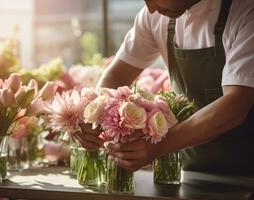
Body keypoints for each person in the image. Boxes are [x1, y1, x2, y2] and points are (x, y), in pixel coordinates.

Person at [75, 0, 254, 175]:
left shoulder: (246, 12)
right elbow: (117, 75)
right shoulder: (155, 17)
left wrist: (162, 144)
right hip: (190, 168)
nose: (150, 8)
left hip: (245, 171)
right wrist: (93, 116)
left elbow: (236, 104)